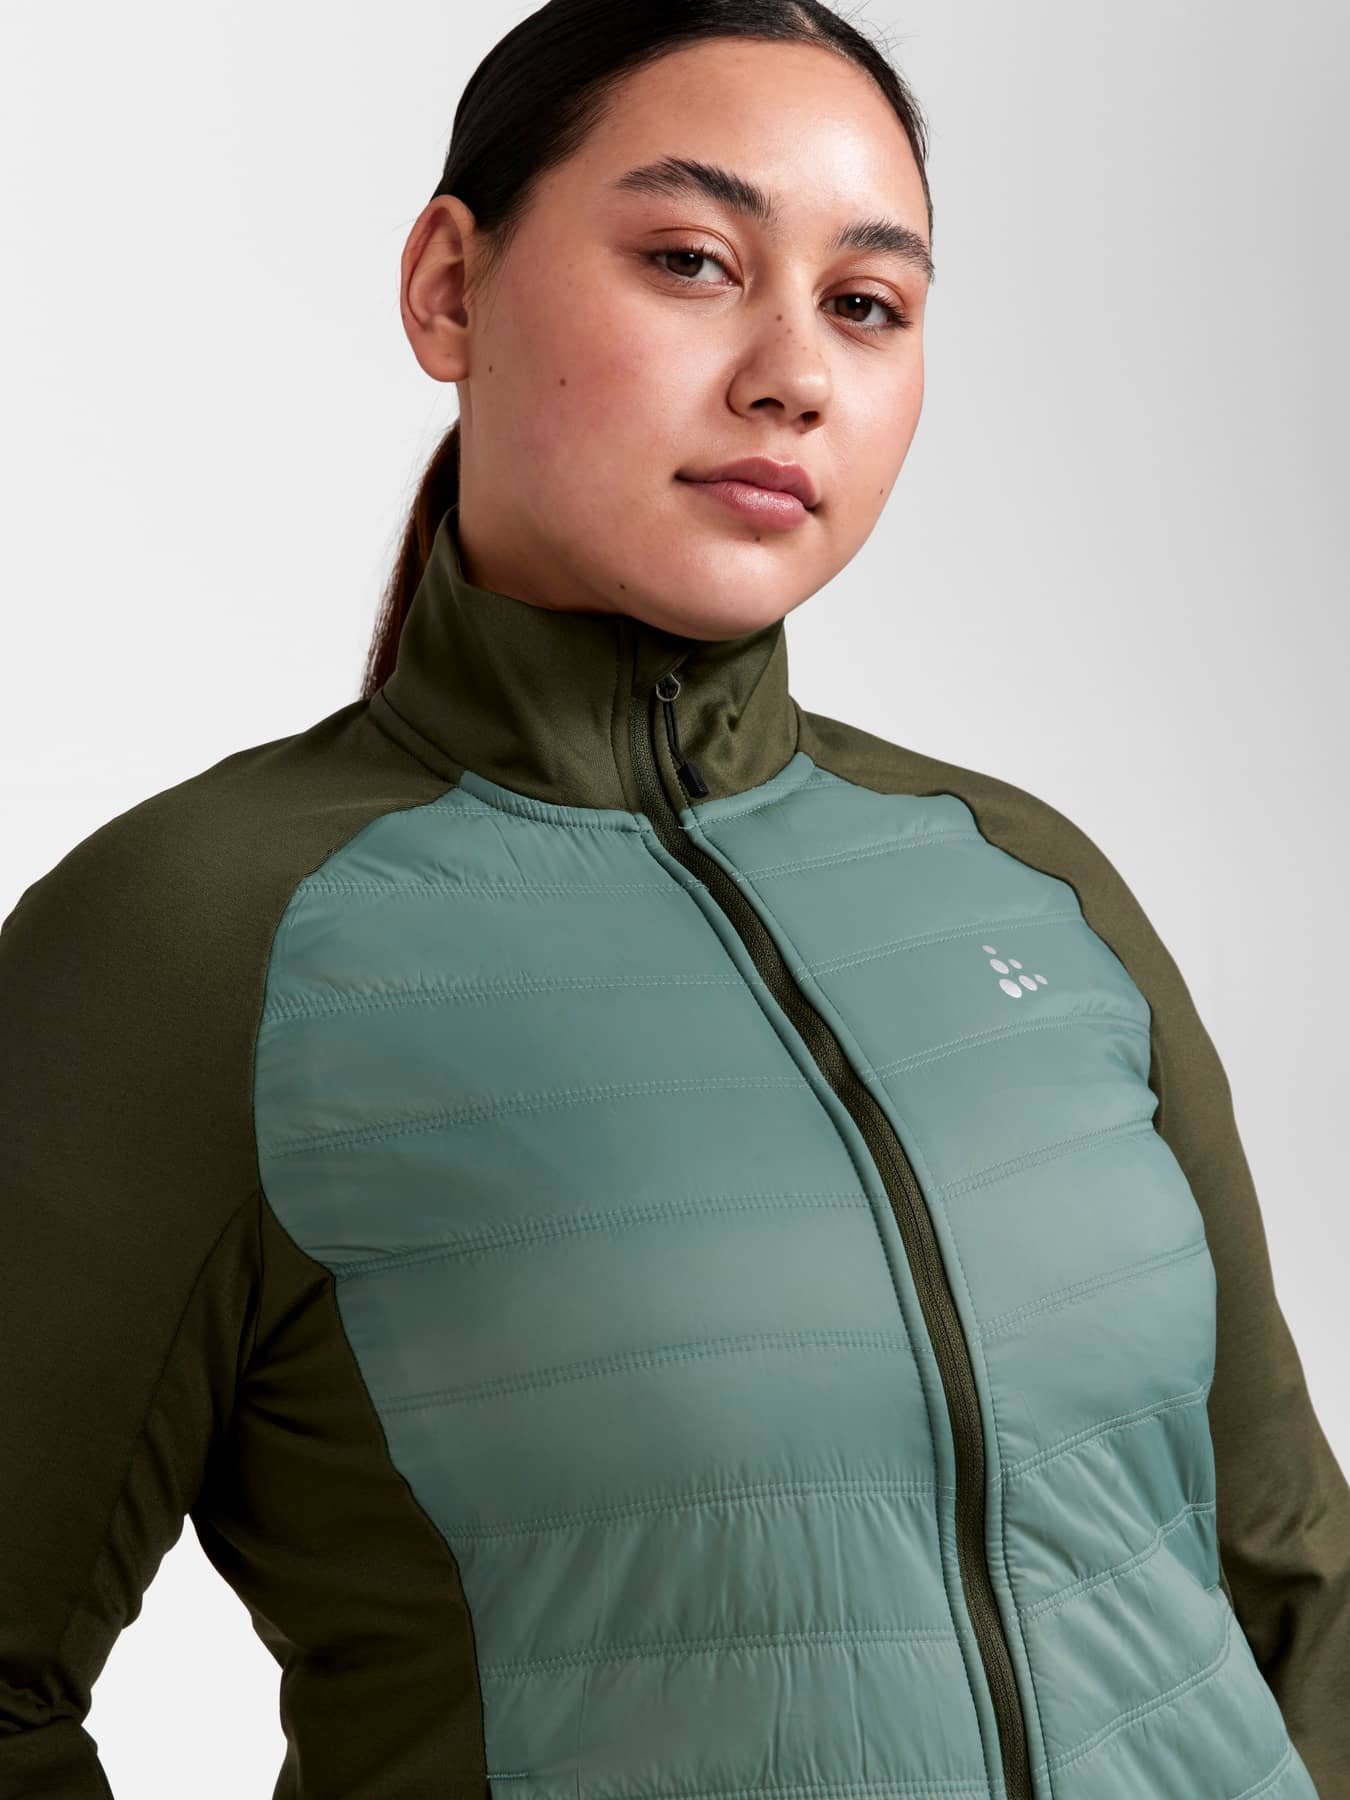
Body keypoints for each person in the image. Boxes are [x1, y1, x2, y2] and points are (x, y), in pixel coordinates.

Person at [3, 2, 1347, 1795]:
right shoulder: (203, 935)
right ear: (448, 289)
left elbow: (1290, 1581)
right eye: (693, 261)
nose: (792, 371)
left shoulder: (1024, 880)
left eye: (864, 303)